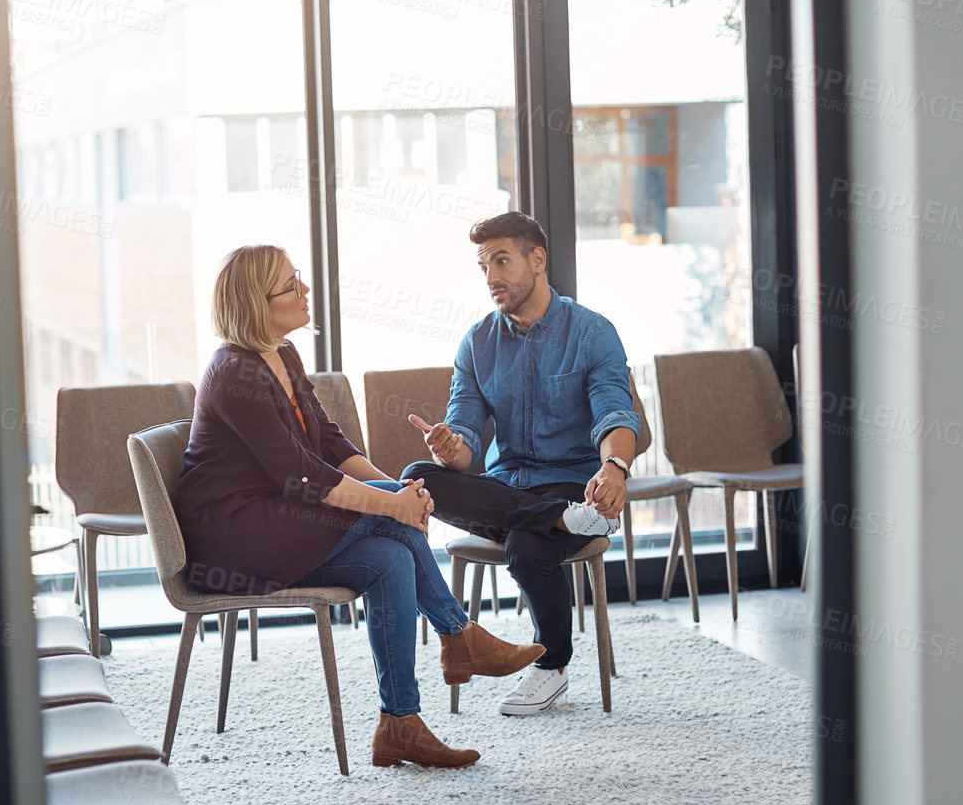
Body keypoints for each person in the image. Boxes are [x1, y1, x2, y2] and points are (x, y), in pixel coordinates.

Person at [175, 244, 545, 768]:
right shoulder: (235, 372)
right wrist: (393, 503)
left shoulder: (281, 354)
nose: (305, 291)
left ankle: (401, 723)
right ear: (257, 304)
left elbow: (329, 444)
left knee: (391, 559)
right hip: (234, 538)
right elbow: (301, 476)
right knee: (388, 514)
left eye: (299, 278)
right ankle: (461, 638)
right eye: (291, 285)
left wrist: (395, 488)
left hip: (281, 522)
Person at [401, 212, 641, 717]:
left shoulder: (592, 332)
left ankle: (551, 665)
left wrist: (614, 468)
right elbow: (465, 439)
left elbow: (615, 412)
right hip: (509, 488)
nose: (491, 278)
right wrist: (450, 447)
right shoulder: (477, 342)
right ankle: (556, 517)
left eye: (501, 261)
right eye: (484, 266)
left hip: (579, 485)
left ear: (538, 260)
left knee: (528, 546)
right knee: (416, 477)